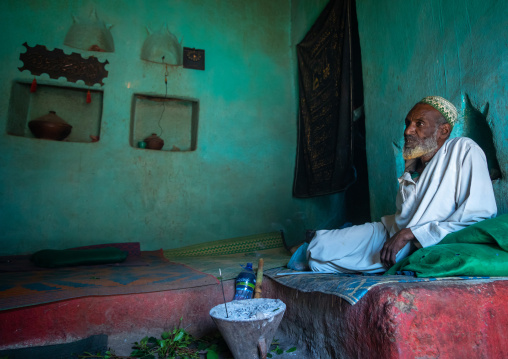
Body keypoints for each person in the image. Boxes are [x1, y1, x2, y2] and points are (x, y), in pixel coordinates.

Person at [305, 96, 497, 273]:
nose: (408, 131)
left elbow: (478, 217)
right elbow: (404, 216)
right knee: (319, 251)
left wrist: (410, 234)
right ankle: (310, 244)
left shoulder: (462, 149)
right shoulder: (415, 165)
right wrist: (409, 175)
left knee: (321, 259)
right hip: (392, 232)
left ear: (443, 130)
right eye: (408, 123)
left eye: (419, 124)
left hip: (422, 240)